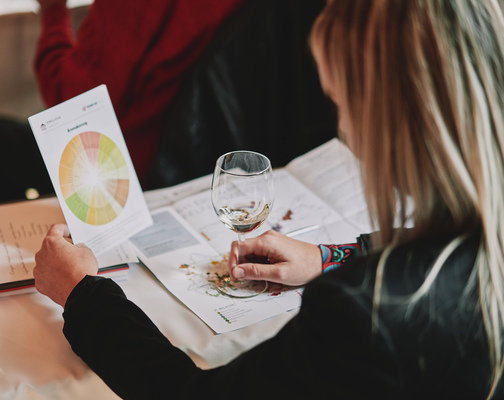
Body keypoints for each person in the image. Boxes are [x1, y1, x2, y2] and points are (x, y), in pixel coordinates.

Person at [33, 0, 504, 398]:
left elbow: (189, 393)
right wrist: (330, 255)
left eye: (341, 103)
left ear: (389, 121)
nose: (342, 130)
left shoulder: (360, 314)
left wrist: (82, 294)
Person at [34, 0, 249, 184]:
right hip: (218, 159)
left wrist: (53, 11)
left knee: (0, 140)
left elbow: (74, 104)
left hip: (126, 172)